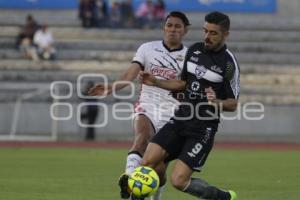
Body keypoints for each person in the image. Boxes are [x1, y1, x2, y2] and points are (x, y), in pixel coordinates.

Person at [89, 11, 190, 200]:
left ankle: (156, 195)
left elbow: (188, 87)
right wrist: (112, 87)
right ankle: (129, 178)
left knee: (158, 170)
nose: (172, 30)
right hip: (147, 104)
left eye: (177, 26)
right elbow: (131, 74)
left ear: (185, 30)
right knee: (142, 137)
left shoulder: (189, 57)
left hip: (173, 113)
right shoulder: (147, 48)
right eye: (169, 25)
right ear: (163, 28)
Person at [139, 11, 240, 200]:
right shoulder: (194, 50)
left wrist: (216, 102)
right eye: (205, 31)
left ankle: (222, 197)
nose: (207, 37)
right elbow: (182, 83)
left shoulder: (228, 64)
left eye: (213, 33)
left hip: (203, 127)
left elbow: (233, 104)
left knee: (178, 181)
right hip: (181, 118)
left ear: (225, 34)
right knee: (147, 162)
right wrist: (156, 81)